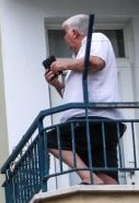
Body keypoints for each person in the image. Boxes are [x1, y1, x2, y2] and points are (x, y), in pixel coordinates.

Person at [42, 14, 124, 185]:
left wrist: (63, 64)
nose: (64, 39)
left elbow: (96, 62)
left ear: (74, 33)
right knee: (106, 175)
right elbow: (74, 95)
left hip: (92, 119)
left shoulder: (96, 40)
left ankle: (88, 178)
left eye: (65, 34)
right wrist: (57, 84)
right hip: (99, 119)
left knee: (50, 139)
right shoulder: (78, 59)